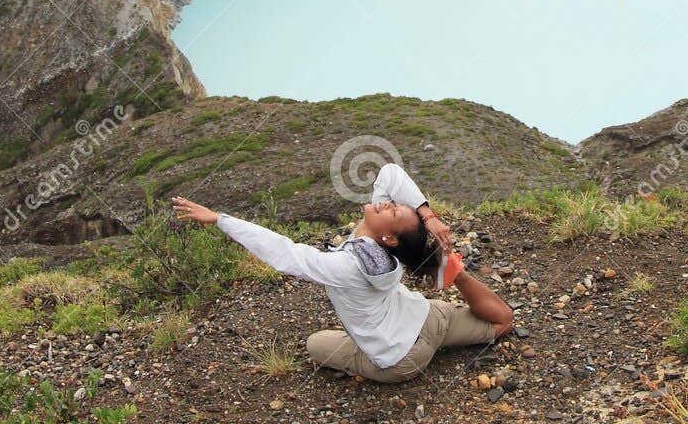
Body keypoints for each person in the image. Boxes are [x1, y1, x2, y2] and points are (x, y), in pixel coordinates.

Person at [170, 162, 515, 383]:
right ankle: (456, 274)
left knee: (315, 344)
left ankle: (447, 284)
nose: (386, 202)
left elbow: (286, 254)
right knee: (502, 322)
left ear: (389, 236)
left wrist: (220, 219)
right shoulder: (383, 246)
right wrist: (428, 215)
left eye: (393, 211)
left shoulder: (347, 265)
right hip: (430, 319)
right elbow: (390, 172)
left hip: (402, 360)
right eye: (395, 204)